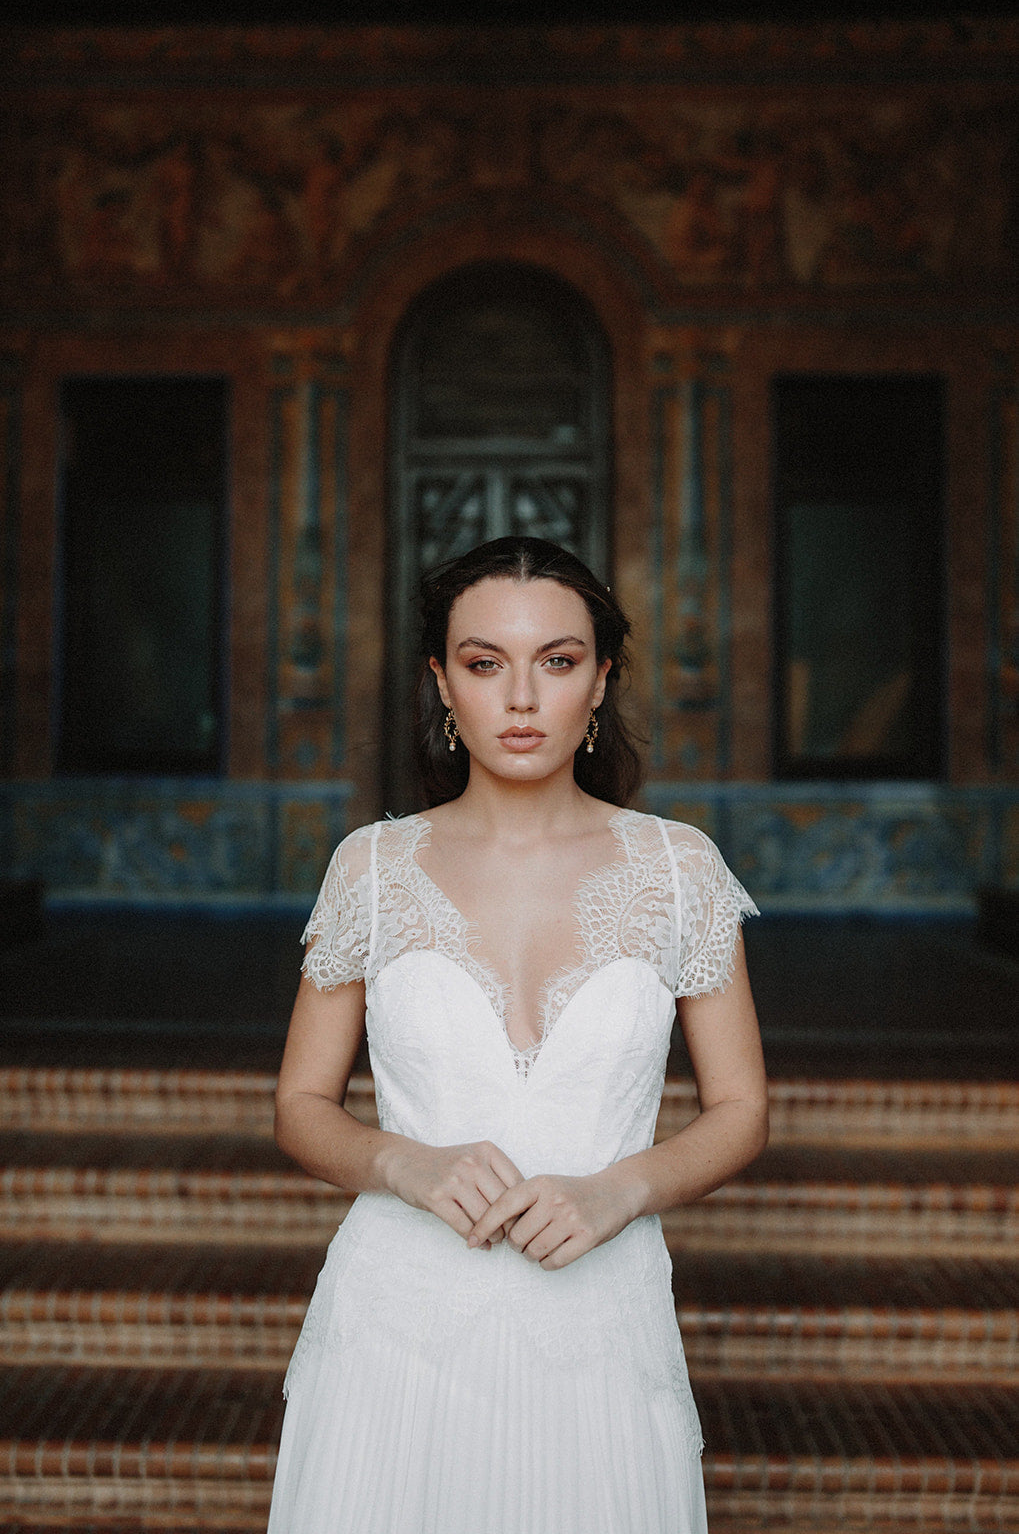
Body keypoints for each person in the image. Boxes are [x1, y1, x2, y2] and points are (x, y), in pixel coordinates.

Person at [267, 536, 768, 1534]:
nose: (521, 698)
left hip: (601, 1316)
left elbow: (741, 1108)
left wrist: (620, 1186)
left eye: (558, 659)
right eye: (484, 662)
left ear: (601, 680)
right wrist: (402, 1163)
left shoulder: (678, 870)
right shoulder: (371, 868)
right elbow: (298, 1105)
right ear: (441, 683)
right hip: (395, 1324)